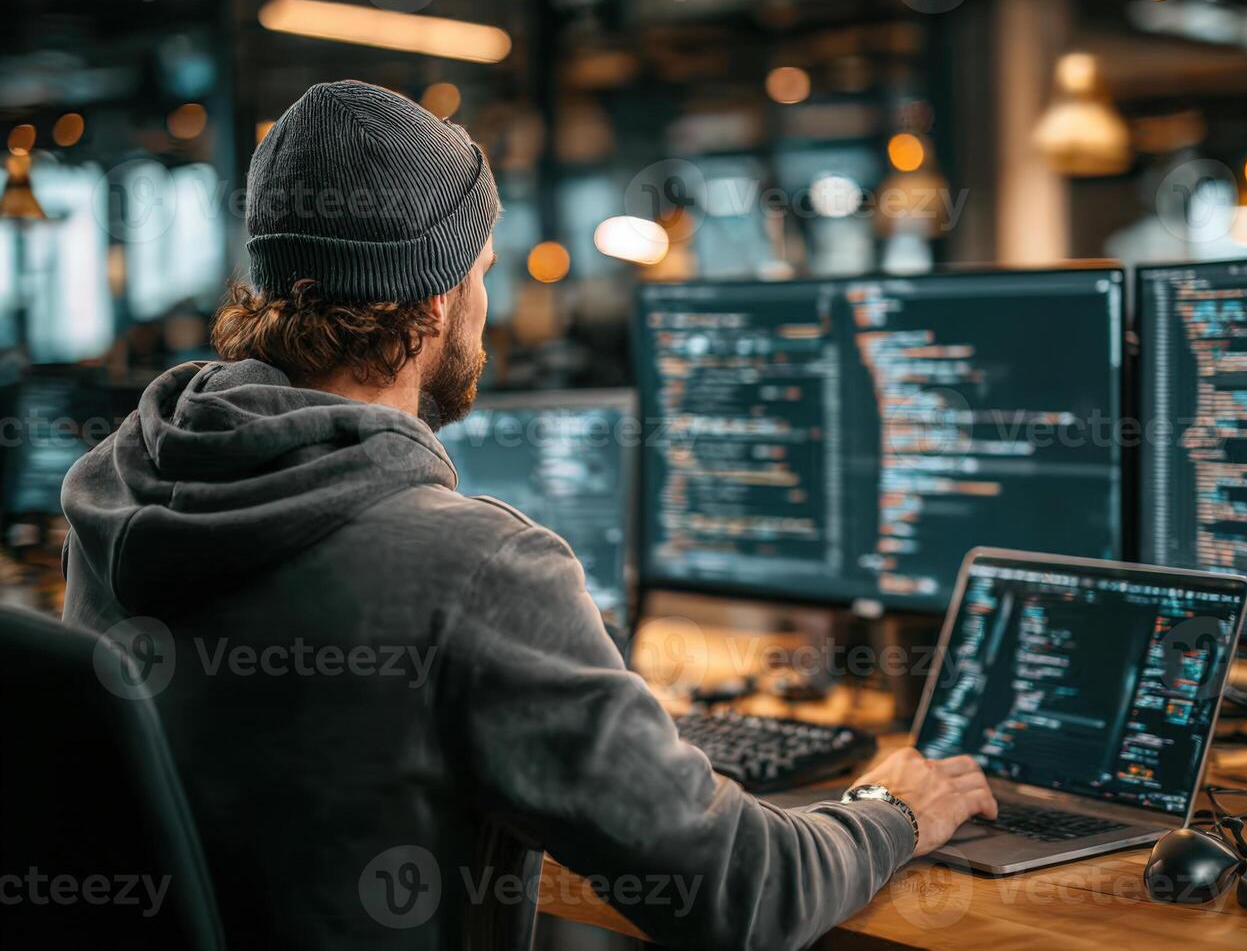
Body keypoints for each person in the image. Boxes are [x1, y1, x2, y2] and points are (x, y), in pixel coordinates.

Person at [60, 80, 996, 951]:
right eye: (481, 272)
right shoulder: (479, 568)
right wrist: (893, 806)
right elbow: (744, 892)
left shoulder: (113, 491)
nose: (487, 303)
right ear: (432, 300)